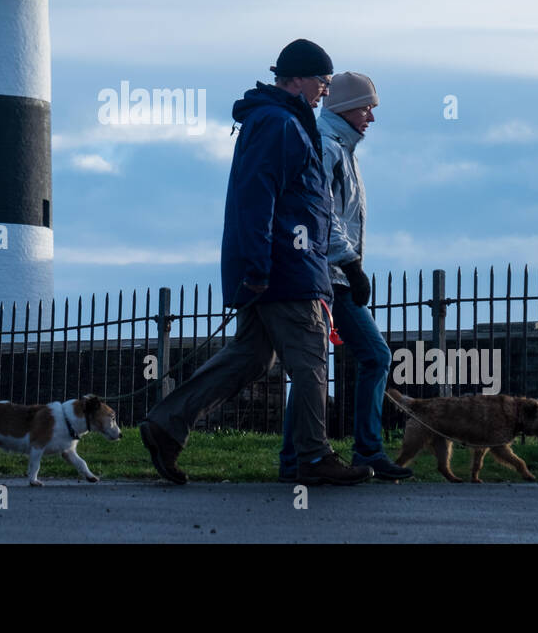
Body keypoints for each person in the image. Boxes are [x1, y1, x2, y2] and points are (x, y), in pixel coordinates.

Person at [139, 40, 373, 486]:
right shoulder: (280, 123)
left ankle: (167, 423)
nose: (325, 90)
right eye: (322, 82)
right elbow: (257, 198)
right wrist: (259, 266)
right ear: (299, 79)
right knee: (308, 361)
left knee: (248, 357)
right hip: (288, 270)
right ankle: (313, 457)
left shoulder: (277, 120)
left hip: (278, 267)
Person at [278, 72, 414, 481]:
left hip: (330, 272)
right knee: (367, 357)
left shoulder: (342, 149)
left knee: (313, 368)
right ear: (342, 107)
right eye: (366, 106)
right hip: (328, 274)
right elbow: (325, 215)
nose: (371, 116)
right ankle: (363, 451)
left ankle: (296, 459)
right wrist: (351, 265)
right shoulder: (327, 147)